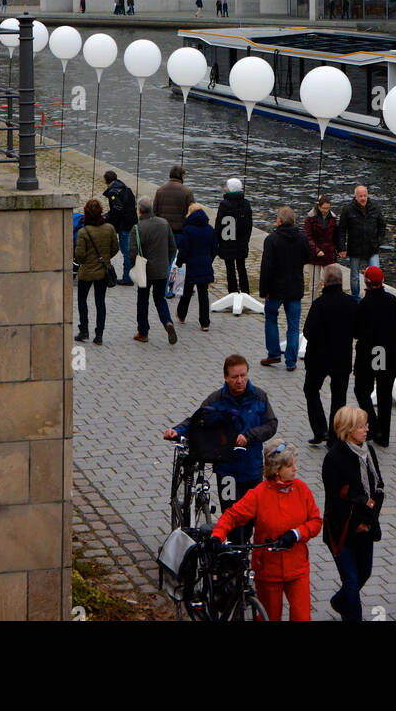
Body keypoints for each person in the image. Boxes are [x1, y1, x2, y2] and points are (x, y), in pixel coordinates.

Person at [211, 438, 322, 622]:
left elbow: (316, 521)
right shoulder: (258, 494)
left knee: (302, 616)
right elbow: (232, 516)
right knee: (269, 617)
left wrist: (296, 534)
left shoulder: (302, 490)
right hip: (268, 570)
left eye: (295, 464)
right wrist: (217, 535)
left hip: (297, 567)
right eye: (290, 466)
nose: (296, 469)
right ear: (276, 470)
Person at [164, 354, 277, 527]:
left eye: (243, 375)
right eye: (234, 377)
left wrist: (249, 436)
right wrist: (176, 431)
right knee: (231, 515)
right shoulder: (216, 400)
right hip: (227, 471)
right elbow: (196, 421)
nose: (240, 380)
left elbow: (271, 424)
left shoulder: (259, 397)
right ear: (226, 377)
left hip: (252, 470)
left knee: (250, 518)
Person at [322, 405, 384, 622]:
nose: (367, 429)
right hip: (342, 529)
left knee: (363, 573)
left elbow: (379, 488)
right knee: (351, 581)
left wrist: (370, 518)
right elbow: (334, 501)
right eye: (361, 426)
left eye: (366, 424)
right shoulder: (334, 458)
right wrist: (357, 521)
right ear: (348, 430)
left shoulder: (368, 451)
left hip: (366, 527)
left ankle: (339, 603)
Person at [302, 264, 357, 446]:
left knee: (311, 390)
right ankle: (335, 436)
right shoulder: (350, 303)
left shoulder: (319, 304)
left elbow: (308, 332)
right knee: (339, 397)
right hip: (342, 357)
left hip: (318, 357)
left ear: (324, 283)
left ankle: (319, 430)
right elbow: (358, 331)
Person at [353, 265, 396, 446]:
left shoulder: (365, 304)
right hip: (389, 354)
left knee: (361, 390)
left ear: (366, 282)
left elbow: (357, 331)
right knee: (384, 394)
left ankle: (373, 426)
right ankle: (384, 436)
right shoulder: (391, 300)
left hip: (373, 354)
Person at [259, 206, 311, 371]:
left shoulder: (271, 239)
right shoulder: (302, 238)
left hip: (275, 288)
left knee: (271, 319)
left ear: (279, 221)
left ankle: (274, 353)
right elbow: (307, 257)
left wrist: (264, 290)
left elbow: (266, 267)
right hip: (295, 287)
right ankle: (291, 361)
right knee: (294, 326)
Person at [130, 196, 177, 344]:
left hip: (145, 270)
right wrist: (166, 261)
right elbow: (173, 247)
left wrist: (135, 267)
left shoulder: (137, 228)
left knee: (143, 300)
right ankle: (167, 322)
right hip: (162, 269)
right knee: (159, 298)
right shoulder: (164, 223)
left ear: (139, 210)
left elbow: (132, 252)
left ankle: (143, 332)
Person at [74, 197, 119, 345]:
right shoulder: (109, 228)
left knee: (82, 300)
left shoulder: (83, 232)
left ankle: (84, 330)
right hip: (102, 271)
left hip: (86, 271)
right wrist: (105, 258)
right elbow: (115, 248)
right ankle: (99, 334)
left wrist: (85, 261)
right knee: (100, 302)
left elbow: (79, 255)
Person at [337, 184, 386, 302]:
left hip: (372, 247)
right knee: (354, 277)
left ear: (367, 196)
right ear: (355, 197)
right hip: (355, 248)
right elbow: (341, 230)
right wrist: (342, 248)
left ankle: (375, 298)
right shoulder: (347, 209)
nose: (363, 198)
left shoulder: (375, 207)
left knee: (376, 273)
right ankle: (355, 299)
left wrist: (378, 242)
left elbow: (382, 225)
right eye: (360, 196)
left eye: (365, 195)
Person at [174, 203, 217, 330]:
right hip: (205, 264)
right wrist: (209, 260)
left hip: (191, 265)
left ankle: (181, 315)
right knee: (203, 294)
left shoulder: (188, 230)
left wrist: (179, 262)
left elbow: (184, 249)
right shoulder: (210, 229)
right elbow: (215, 248)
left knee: (187, 292)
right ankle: (205, 323)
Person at [214, 176, 253, 294]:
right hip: (241, 241)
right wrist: (246, 239)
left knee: (230, 268)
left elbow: (219, 224)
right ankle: (245, 291)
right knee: (242, 267)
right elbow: (249, 225)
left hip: (227, 241)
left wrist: (217, 239)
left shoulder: (224, 204)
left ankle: (233, 291)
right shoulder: (246, 204)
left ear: (230, 189)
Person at [101, 168, 137, 285]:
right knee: (128, 250)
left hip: (124, 225)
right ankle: (129, 275)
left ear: (106, 181)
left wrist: (107, 217)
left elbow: (117, 209)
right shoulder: (126, 189)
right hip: (131, 222)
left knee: (126, 251)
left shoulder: (113, 192)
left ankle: (127, 277)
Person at [303, 192, 338, 296]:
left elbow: (336, 236)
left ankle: (329, 302)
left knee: (331, 282)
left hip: (329, 254)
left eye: (328, 208)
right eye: (323, 208)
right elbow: (307, 237)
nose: (325, 211)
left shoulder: (333, 218)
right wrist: (316, 250)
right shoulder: (310, 218)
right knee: (314, 283)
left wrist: (340, 249)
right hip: (314, 255)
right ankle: (314, 303)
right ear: (318, 206)